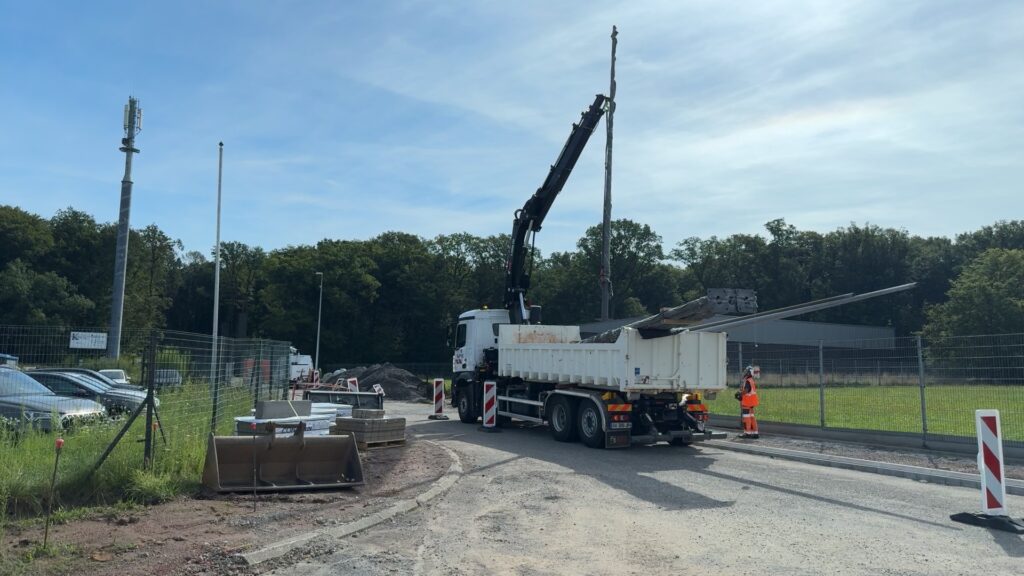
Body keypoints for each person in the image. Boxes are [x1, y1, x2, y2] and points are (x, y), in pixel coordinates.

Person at [734, 365, 759, 439]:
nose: (745, 373)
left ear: (749, 373)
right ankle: (755, 433)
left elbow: (746, 390)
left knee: (746, 418)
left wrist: (739, 394)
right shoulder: (751, 380)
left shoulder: (748, 380)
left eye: (746, 371)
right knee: (752, 417)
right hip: (751, 402)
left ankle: (747, 433)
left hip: (747, 403)